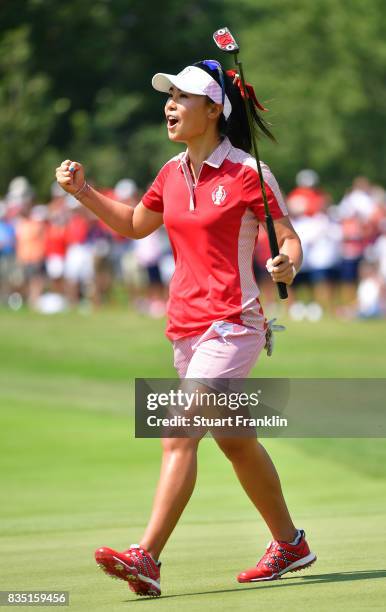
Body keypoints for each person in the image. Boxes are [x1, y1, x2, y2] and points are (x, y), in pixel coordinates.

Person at [56, 59, 316, 597]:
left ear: (214, 109)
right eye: (168, 97)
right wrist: (84, 191)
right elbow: (133, 225)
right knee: (236, 442)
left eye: (183, 97)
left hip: (233, 325)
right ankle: (290, 543)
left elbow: (287, 238)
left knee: (177, 433)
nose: (170, 106)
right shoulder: (171, 173)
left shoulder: (248, 172)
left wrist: (287, 263)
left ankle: (146, 557)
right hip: (186, 329)